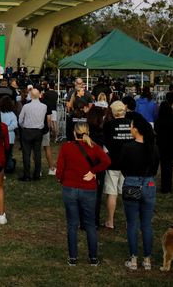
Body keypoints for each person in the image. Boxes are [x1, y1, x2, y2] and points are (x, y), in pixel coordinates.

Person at [56, 122, 110, 266]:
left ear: (74, 133)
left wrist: (62, 179)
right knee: (90, 224)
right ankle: (93, 258)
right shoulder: (94, 147)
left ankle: (73, 257)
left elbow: (59, 170)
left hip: (70, 188)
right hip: (88, 189)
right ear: (88, 132)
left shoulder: (67, 147)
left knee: (72, 224)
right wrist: (93, 172)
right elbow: (106, 161)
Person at [118, 113, 159, 271]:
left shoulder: (128, 147)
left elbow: (122, 166)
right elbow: (155, 169)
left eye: (131, 126)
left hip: (131, 183)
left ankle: (134, 258)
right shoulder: (153, 147)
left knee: (132, 223)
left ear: (136, 129)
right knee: (146, 224)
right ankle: (147, 259)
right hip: (148, 183)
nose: (130, 128)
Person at [102, 100, 133, 229]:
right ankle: (129, 221)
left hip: (113, 162)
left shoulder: (109, 125)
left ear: (113, 112)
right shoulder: (131, 124)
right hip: (128, 163)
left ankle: (110, 221)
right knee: (127, 193)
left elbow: (105, 144)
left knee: (112, 193)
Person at [18, 88, 47, 181]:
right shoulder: (44, 106)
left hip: (27, 130)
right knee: (37, 153)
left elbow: (20, 119)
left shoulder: (26, 106)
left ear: (30, 95)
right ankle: (37, 174)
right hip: (38, 131)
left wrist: (23, 127)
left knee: (26, 153)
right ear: (39, 95)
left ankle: (27, 175)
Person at [155, 99, 173, 193]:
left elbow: (156, 131)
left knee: (163, 166)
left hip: (161, 144)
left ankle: (164, 187)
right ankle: (168, 186)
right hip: (171, 143)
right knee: (169, 166)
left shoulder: (158, 120)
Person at [0, 96, 19, 174]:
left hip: (2, 135)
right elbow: (14, 125)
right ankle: (8, 166)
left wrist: (3, 129)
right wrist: (7, 129)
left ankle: (5, 166)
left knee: (4, 153)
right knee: (8, 153)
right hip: (9, 136)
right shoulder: (12, 114)